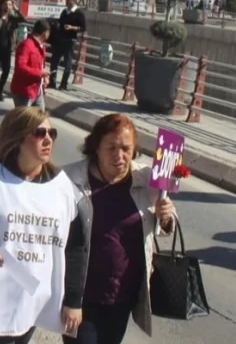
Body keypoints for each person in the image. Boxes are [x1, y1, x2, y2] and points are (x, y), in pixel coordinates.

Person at [0, 107, 85, 343]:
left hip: (33, 299)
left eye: (52, 133)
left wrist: (73, 300)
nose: (48, 139)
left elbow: (75, 248)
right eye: (40, 133)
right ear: (18, 137)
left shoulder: (63, 188)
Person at [62, 113, 176, 344]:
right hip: (82, 296)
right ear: (96, 147)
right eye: (111, 147)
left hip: (122, 295)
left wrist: (166, 217)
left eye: (126, 148)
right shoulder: (69, 180)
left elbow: (163, 224)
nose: (119, 155)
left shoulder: (146, 181)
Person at [0, 0, 26, 102]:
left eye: (9, 4)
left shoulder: (12, 18)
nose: (8, 6)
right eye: (6, 4)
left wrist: (16, 9)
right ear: (1, 5)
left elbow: (23, 20)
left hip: (7, 48)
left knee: (6, 70)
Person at [11, 19, 51, 110]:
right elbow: (20, 67)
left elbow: (41, 65)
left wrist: (45, 77)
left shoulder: (41, 46)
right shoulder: (26, 45)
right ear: (45, 33)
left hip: (37, 91)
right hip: (24, 92)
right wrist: (40, 73)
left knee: (40, 120)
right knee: (24, 122)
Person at [50, 0, 86, 91]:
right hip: (60, 39)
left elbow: (83, 28)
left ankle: (63, 84)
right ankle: (52, 82)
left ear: (73, 1)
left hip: (70, 40)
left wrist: (72, 27)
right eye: (66, 0)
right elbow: (60, 22)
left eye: (68, 0)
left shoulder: (78, 13)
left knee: (67, 63)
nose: (66, 2)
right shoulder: (64, 12)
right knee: (54, 60)